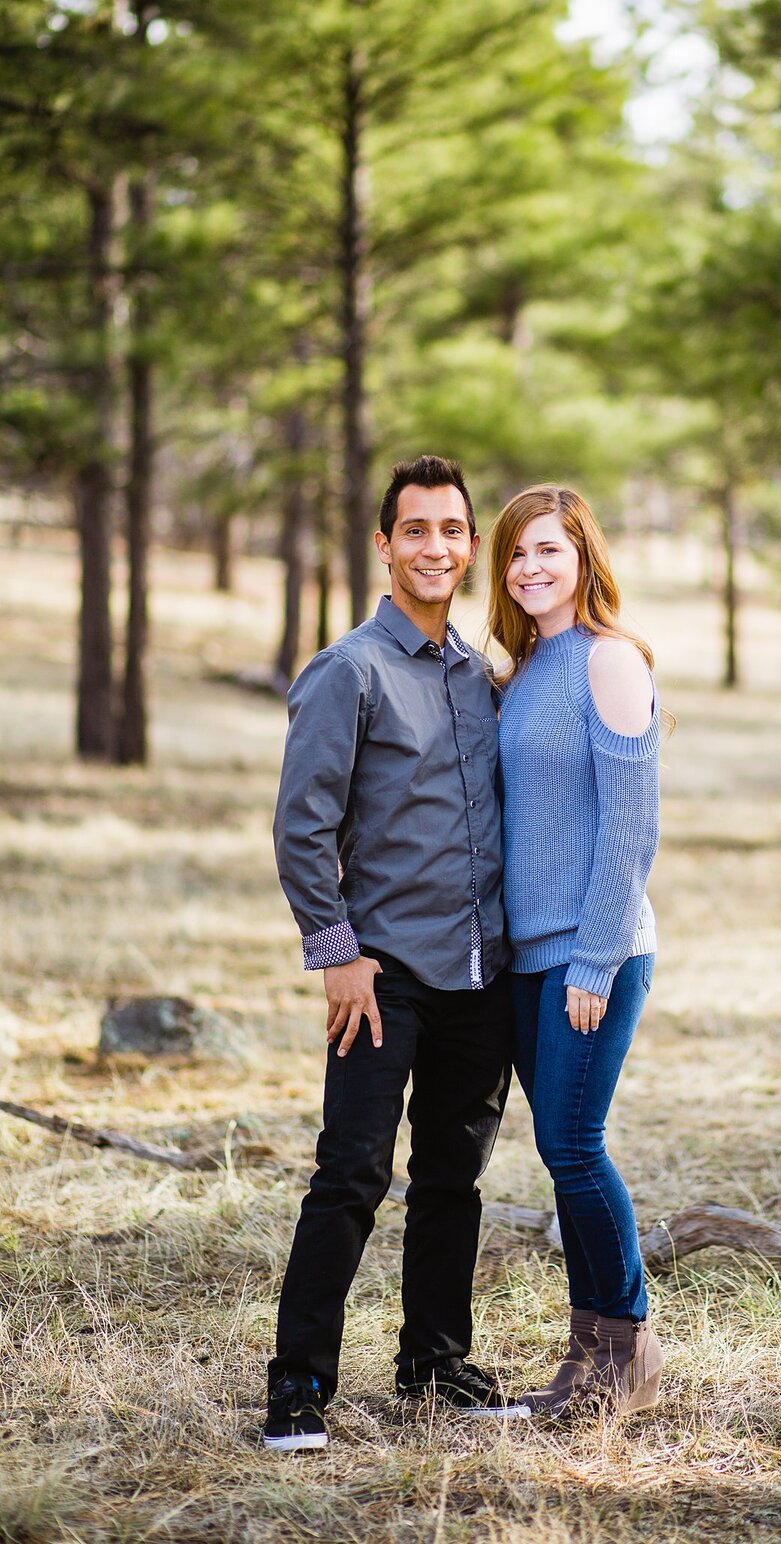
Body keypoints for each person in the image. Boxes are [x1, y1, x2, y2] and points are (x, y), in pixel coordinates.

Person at [263, 455, 510, 1451]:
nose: (435, 547)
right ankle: (299, 1385)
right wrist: (337, 953)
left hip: (480, 973)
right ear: (385, 545)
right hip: (383, 974)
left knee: (454, 1178)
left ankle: (434, 1362)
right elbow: (301, 826)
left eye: (451, 530)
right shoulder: (348, 671)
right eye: (416, 530)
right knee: (353, 1174)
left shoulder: (482, 675)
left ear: (469, 546)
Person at [487, 485, 663, 1417]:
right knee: (561, 1155)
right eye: (516, 554)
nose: (531, 568)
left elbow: (631, 828)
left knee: (574, 1145)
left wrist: (594, 959)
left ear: (584, 556)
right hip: (527, 957)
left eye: (549, 550)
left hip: (594, 955)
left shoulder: (610, 661)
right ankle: (588, 1361)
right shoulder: (521, 674)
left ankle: (625, 1354)